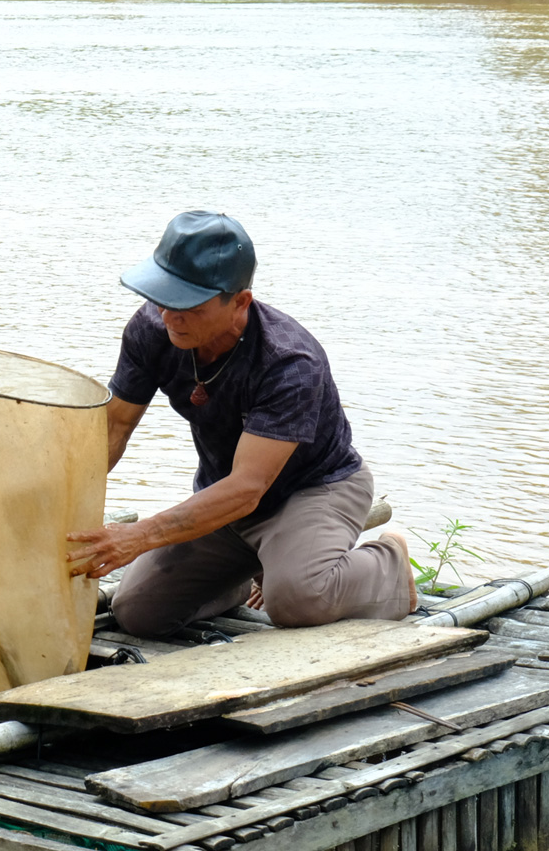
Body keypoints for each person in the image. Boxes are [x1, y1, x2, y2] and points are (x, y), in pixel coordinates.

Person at [67, 211, 416, 638]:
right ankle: (244, 571)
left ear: (239, 302)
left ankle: (388, 563)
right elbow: (114, 427)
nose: (169, 316)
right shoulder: (151, 328)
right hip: (225, 494)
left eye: (187, 305)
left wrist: (138, 536)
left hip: (312, 489)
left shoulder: (289, 362)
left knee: (297, 601)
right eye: (162, 297)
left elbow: (248, 488)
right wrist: (58, 503)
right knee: (139, 612)